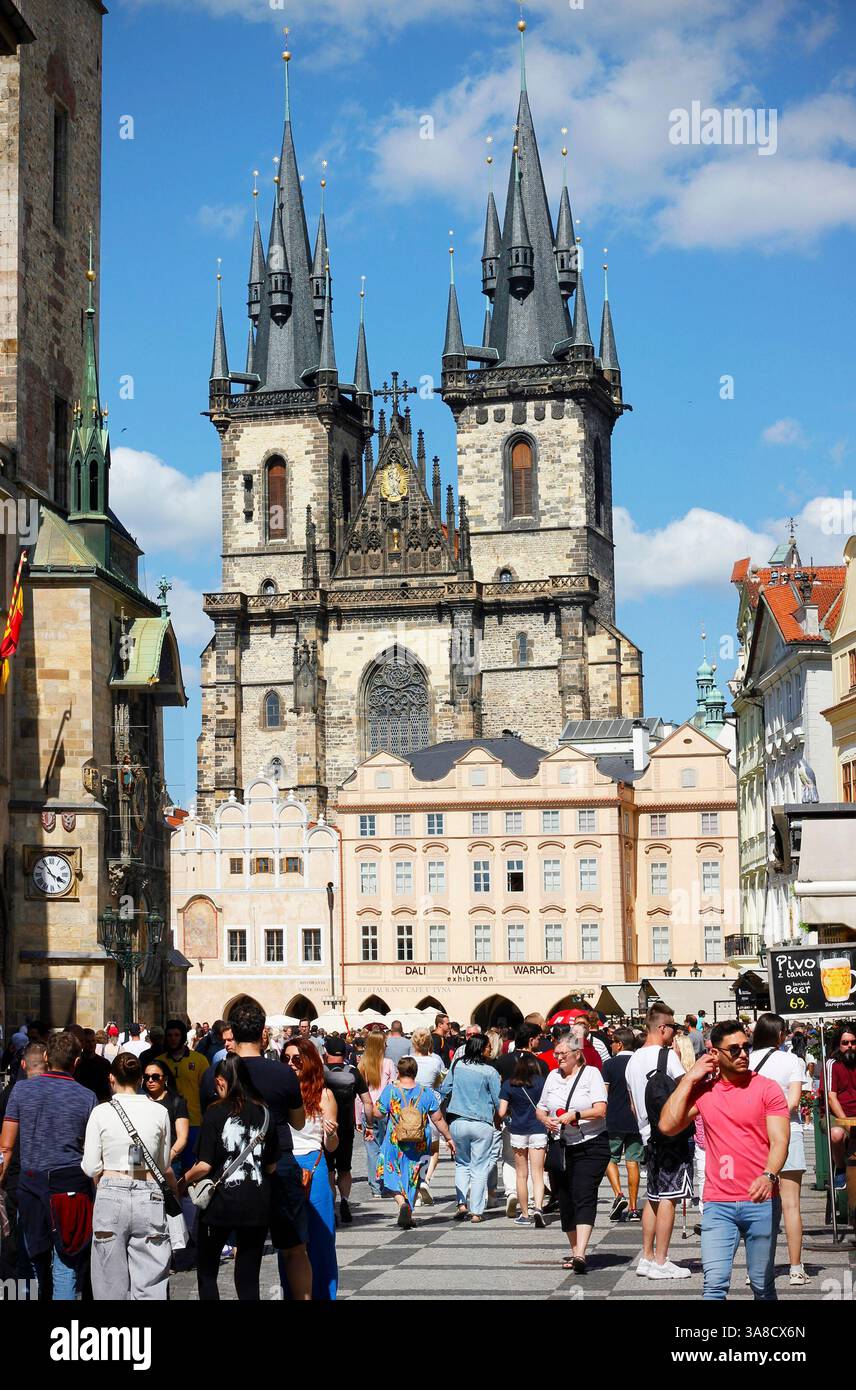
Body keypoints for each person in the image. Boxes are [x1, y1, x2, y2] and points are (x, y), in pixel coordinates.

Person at [660, 1018, 789, 1301]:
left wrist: (769, 1175)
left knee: (761, 1284)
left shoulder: (767, 1089)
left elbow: (781, 1140)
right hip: (719, 1202)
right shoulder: (704, 1090)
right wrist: (691, 1077)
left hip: (761, 1200)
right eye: (734, 1049)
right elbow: (668, 1126)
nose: (743, 1054)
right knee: (714, 1285)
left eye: (746, 1047)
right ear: (715, 1054)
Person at [0, 1030, 95, 1299]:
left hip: (32, 1182)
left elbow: (5, 1146)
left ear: (45, 1057)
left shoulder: (22, 1090)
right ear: (76, 1062)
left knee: (28, 1261)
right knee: (66, 1265)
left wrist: (1, 1178)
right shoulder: (86, 1097)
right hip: (71, 1186)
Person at [229, 1001, 311, 1299]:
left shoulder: (220, 1073)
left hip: (236, 1167)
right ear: (263, 1033)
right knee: (294, 1248)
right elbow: (299, 1122)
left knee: (246, 1249)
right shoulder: (282, 1073)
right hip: (280, 1162)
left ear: (232, 1032)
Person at [81, 1052, 175, 1301]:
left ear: (111, 1078)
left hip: (111, 1191)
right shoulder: (159, 1111)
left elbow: (90, 1166)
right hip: (148, 1191)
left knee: (109, 1283)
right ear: (140, 1080)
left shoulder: (101, 1112)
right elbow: (163, 1163)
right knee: (151, 1280)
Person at [183, 1056, 278, 1301]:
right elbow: (271, 1165)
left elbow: (204, 1165)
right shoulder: (264, 1112)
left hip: (219, 1204)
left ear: (220, 1082)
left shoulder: (215, 1112)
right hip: (256, 1203)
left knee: (207, 1272)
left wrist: (182, 1181)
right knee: (248, 1277)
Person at [625, 1003, 690, 1279]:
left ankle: (647, 1257)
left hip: (646, 1136)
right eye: (673, 1027)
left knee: (652, 1197)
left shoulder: (632, 1061)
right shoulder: (667, 1057)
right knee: (669, 1198)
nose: (675, 1032)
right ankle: (662, 1261)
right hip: (670, 1136)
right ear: (661, 1028)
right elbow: (685, 1092)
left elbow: (632, 1105)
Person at [536, 1035, 609, 1272]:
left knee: (583, 1194)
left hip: (591, 1144)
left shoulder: (591, 1074)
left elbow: (600, 1110)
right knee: (565, 1199)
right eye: (556, 1054)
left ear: (577, 1054)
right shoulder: (552, 1076)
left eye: (562, 1054)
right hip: (561, 1146)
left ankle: (580, 1253)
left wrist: (575, 1115)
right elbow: (540, 1108)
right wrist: (545, 1120)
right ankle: (575, 1250)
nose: (557, 1058)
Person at [748, 1012, 808, 1285]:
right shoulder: (792, 1060)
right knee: (791, 1205)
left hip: (756, 1137)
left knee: (760, 1206)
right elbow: (793, 1101)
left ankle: (759, 1269)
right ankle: (796, 1267)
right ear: (781, 1034)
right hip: (789, 1131)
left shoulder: (746, 1060)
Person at [282, 1038, 338, 1299]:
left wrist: (332, 1133)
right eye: (286, 1059)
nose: (291, 1064)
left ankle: (325, 1295)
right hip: (285, 1165)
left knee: (321, 1240)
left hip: (313, 1166)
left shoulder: (324, 1095)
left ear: (309, 1061)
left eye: (296, 1059)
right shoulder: (279, 1093)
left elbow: (332, 1146)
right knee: (289, 1242)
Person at [375, 1056, 455, 1228]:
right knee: (416, 1175)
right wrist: (448, 1138)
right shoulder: (425, 1093)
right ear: (415, 1072)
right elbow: (438, 1118)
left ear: (398, 1072)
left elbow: (378, 1113)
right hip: (420, 1143)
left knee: (390, 1172)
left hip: (395, 1141)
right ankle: (408, 1211)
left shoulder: (391, 1090)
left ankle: (401, 1203)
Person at [440, 1033, 501, 1222]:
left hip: (458, 1120)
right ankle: (476, 1212)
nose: (490, 1049)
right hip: (482, 1122)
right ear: (481, 1048)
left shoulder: (457, 1065)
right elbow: (498, 1101)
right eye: (488, 1046)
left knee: (462, 1164)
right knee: (480, 1167)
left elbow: (444, 1088)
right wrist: (500, 1116)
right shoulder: (489, 1072)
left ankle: (461, 1203)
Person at [322, 1036, 373, 1225]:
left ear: (326, 1053)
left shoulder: (320, 1073)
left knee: (329, 1170)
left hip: (325, 1128)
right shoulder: (353, 1072)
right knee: (345, 1168)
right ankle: (344, 1200)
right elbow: (367, 1102)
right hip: (346, 1128)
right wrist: (368, 1125)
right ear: (345, 1053)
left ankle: (331, 1205)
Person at [497, 1050, 547, 1227]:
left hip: (518, 1130)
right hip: (539, 1129)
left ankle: (525, 1214)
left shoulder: (509, 1085)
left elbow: (501, 1112)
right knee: (538, 1173)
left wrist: (509, 1115)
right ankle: (539, 1208)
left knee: (521, 1174)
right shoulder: (542, 1082)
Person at [603, 1026, 643, 1223]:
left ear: (619, 1044)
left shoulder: (610, 1065)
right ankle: (634, 1208)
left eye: (612, 1042)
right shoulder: (639, 1063)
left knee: (609, 1158)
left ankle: (619, 1194)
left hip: (615, 1118)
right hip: (637, 1120)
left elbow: (605, 1094)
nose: (611, 1046)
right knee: (632, 1162)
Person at [158, 1020, 209, 1172]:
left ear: (183, 1037)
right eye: (169, 1035)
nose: (173, 1038)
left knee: (191, 1168)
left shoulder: (199, 1060)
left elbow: (205, 1090)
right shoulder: (159, 1062)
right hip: (166, 1123)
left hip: (193, 1121)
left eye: (176, 1035)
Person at [407, 1028, 445, 1202]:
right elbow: (440, 1082)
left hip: (411, 1108)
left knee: (413, 1151)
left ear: (413, 1043)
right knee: (433, 1149)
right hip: (431, 1106)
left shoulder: (407, 1061)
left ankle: (414, 1191)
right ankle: (426, 1179)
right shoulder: (435, 1062)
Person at [356, 1031, 395, 1198]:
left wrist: (357, 1117)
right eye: (385, 1043)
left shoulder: (362, 1064)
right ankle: (386, 1183)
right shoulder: (388, 1063)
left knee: (372, 1150)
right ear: (380, 1046)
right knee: (386, 1148)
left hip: (368, 1111)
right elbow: (392, 1090)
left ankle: (375, 1187)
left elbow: (358, 1096)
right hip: (384, 1111)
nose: (387, 1046)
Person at [143, 1061, 190, 1171]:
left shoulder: (177, 1102)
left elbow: (182, 1138)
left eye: (155, 1077)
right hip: (143, 1163)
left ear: (165, 1078)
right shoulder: (139, 1100)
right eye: (146, 1077)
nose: (150, 1080)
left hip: (170, 1163)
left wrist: (169, 1157)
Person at [827, 1025, 856, 1179]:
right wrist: (847, 1124)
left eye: (853, 1042)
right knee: (836, 1134)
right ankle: (840, 1170)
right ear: (839, 1044)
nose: (850, 1046)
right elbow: (832, 1097)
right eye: (845, 1043)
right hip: (837, 1115)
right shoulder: (832, 1064)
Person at [76, 1029, 113, 1104]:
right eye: (88, 1042)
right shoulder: (78, 1063)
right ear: (83, 1043)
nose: (91, 1044)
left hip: (101, 1102)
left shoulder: (105, 1063)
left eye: (93, 1041)